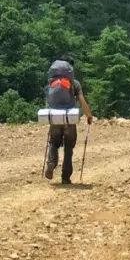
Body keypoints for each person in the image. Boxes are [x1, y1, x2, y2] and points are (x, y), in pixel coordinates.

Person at [43, 56, 94, 184]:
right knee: (68, 148)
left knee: (53, 143)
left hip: (55, 117)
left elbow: (49, 100)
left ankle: (51, 163)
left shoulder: (51, 82)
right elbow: (82, 100)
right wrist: (88, 115)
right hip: (69, 119)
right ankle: (65, 177)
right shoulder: (74, 83)